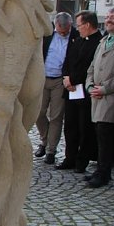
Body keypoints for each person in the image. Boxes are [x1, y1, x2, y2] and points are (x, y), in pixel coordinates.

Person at [84, 6, 114, 188]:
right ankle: (100, 169)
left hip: (111, 97)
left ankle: (104, 173)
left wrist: (104, 89)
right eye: (109, 16)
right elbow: (91, 67)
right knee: (99, 134)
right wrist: (89, 85)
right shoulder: (104, 41)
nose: (110, 19)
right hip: (95, 95)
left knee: (106, 135)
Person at [58, 11, 102, 173]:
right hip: (71, 89)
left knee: (85, 127)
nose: (78, 28)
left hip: (85, 90)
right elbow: (68, 59)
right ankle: (69, 157)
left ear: (88, 25)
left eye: (80, 25)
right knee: (70, 126)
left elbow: (90, 67)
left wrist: (73, 80)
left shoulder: (98, 42)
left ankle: (81, 160)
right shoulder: (77, 39)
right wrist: (66, 78)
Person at [35, 12, 77, 164]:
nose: (63, 32)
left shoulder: (75, 37)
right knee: (38, 112)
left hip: (61, 80)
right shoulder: (47, 35)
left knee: (56, 116)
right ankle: (44, 140)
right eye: (60, 30)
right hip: (43, 77)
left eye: (66, 30)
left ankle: (51, 150)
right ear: (56, 25)